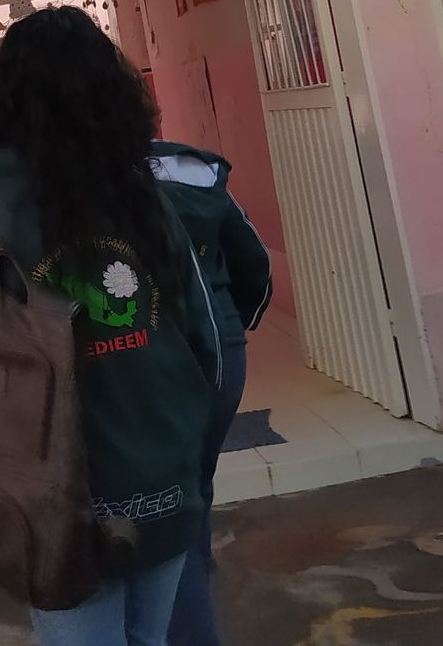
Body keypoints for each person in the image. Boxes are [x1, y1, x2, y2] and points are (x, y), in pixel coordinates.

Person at [0, 7, 221, 646]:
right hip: (162, 477)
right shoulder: (148, 194)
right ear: (110, 92)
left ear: (5, 100)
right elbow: (205, 338)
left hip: (44, 496)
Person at [149, 142, 273, 646]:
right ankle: (196, 565)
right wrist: (233, 323)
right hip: (222, 351)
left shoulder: (96, 185)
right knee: (197, 476)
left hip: (154, 353)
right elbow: (254, 261)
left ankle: (186, 592)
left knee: (164, 495)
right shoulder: (199, 174)